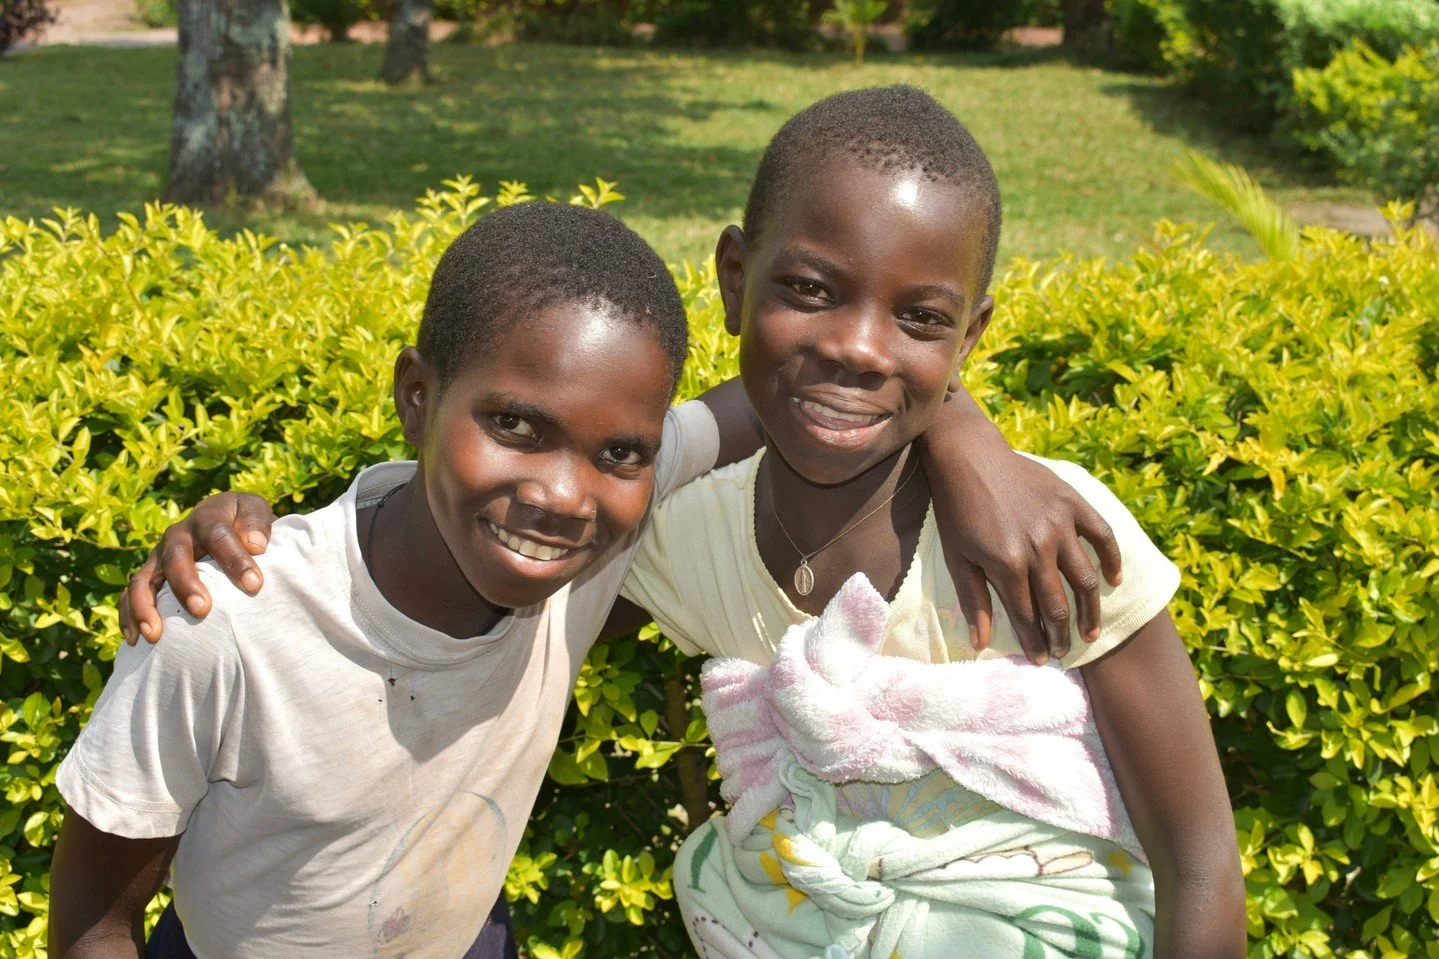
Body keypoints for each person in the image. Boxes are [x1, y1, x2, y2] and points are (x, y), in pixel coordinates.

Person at [52, 198, 1119, 956]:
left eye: (619, 451)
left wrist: (968, 438)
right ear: (417, 397)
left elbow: (804, 388)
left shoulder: (601, 533)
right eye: (514, 425)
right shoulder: (226, 620)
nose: (562, 494)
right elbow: (95, 924)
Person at [614, 87, 1247, 957]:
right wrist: (957, 424)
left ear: (969, 336)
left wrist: (961, 428)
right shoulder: (692, 538)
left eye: (920, 318)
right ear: (733, 279)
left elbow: (1200, 862)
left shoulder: (1053, 541)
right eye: (808, 287)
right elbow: (506, 588)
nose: (859, 347)